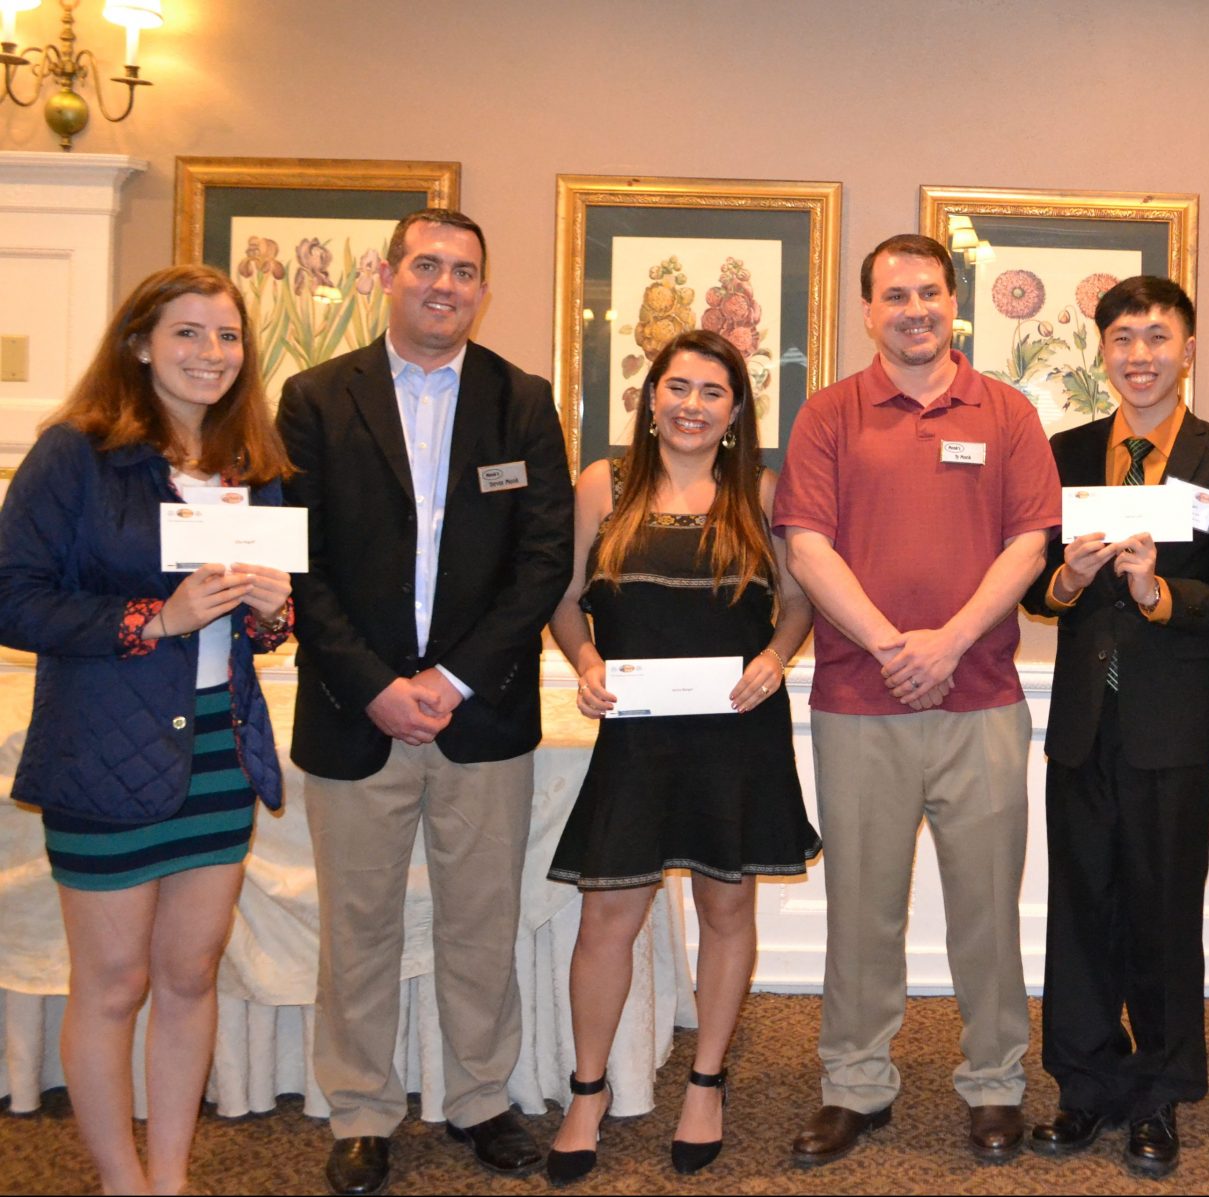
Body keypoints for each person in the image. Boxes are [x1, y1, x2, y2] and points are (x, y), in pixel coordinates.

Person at [276, 208, 574, 1197]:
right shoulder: (315, 398)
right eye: (428, 265)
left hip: (479, 713)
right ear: (388, 276)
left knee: (480, 925)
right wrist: (376, 686)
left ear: (484, 290)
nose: (446, 284)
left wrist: (446, 681)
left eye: (465, 271)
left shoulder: (521, 400)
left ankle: (480, 1099)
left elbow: (540, 561)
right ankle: (361, 1110)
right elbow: (298, 561)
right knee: (356, 926)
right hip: (351, 711)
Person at [0, 264, 294, 1195]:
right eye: (188, 333)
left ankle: (169, 1181)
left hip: (220, 746)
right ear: (139, 342)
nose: (213, 354)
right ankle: (123, 1186)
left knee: (191, 976)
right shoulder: (73, 454)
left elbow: (270, 624)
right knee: (114, 983)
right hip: (103, 750)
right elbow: (13, 599)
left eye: (228, 336)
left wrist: (273, 611)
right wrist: (153, 619)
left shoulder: (254, 465)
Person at [772, 233, 1061, 1168]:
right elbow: (808, 546)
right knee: (863, 907)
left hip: (980, 698)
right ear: (868, 312)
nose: (914, 310)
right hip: (860, 702)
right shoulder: (828, 414)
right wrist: (895, 647)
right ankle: (855, 1084)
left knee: (987, 905)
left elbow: (1029, 546)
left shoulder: (1009, 412)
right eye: (894, 295)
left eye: (929, 292)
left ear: (953, 302)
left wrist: (947, 643)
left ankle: (994, 1083)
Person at [542, 329, 820, 1183]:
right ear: (650, 396)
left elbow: (799, 602)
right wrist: (583, 662)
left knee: (726, 912)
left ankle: (707, 1079)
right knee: (606, 919)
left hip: (735, 733)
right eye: (677, 387)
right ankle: (587, 1091)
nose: (692, 405)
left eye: (712, 392)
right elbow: (562, 600)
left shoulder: (763, 492)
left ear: (736, 412)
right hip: (636, 735)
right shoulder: (604, 484)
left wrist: (776, 658)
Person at [1021, 276, 1209, 1179]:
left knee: (1164, 914)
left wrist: (1161, 593)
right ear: (1104, 351)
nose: (1140, 355)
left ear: (1187, 350)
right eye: (1123, 338)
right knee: (1079, 909)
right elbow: (1041, 587)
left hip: (1168, 724)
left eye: (1158, 338)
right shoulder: (1067, 451)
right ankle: (1085, 1085)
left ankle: (1159, 1095)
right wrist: (1073, 580)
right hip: (1083, 722)